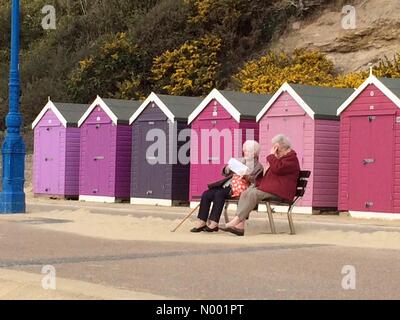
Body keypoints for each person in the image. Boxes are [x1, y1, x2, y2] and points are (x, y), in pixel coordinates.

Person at [221, 134, 300, 236]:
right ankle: (240, 226)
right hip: (273, 189)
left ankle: (235, 221)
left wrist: (271, 155)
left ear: (281, 147)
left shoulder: (291, 158)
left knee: (253, 194)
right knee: (246, 193)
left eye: (276, 148)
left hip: (281, 193)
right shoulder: (281, 158)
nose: (274, 151)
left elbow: (278, 168)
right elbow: (273, 174)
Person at [190, 140, 264, 233]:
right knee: (206, 194)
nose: (246, 153)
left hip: (239, 189)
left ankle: (214, 223)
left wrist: (247, 176)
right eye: (245, 150)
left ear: (255, 153)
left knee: (219, 194)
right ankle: (202, 221)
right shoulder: (240, 160)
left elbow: (256, 182)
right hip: (227, 185)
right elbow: (224, 173)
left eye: (249, 151)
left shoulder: (258, 167)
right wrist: (228, 168)